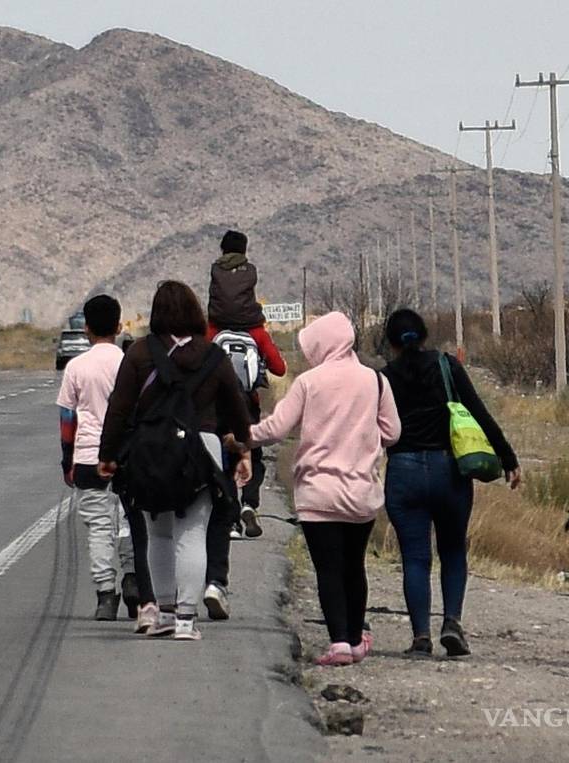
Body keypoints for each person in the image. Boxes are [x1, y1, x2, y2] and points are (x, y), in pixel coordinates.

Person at [99, 281, 253, 641]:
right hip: (202, 449)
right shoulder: (213, 356)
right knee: (193, 533)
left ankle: (164, 613)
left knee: (158, 534)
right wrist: (242, 449)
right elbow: (236, 409)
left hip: (151, 450)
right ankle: (186, 618)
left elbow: (119, 408)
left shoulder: (139, 353)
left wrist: (108, 455)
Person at [249, 312, 401, 665]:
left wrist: (243, 437)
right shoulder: (375, 381)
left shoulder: (308, 382)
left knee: (328, 568)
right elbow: (393, 432)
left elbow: (276, 429)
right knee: (354, 566)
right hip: (361, 492)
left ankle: (339, 643)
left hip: (318, 491)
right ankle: (355, 639)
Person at [381, 309, 521, 657]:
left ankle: (420, 637)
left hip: (403, 472)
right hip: (449, 470)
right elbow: (478, 411)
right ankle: (452, 623)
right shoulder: (447, 366)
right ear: (424, 335)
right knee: (453, 550)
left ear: (391, 342)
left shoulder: (383, 379)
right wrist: (508, 458)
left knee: (415, 558)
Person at [203, 229, 288, 621]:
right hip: (249, 406)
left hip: (217, 408)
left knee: (223, 459)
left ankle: (233, 512)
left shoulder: (212, 329)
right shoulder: (255, 329)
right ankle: (251, 502)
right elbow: (280, 368)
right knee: (253, 453)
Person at [57, 295, 151, 624]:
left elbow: (67, 417)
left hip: (87, 456)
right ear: (119, 325)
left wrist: (67, 459)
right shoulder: (130, 363)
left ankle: (105, 595)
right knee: (129, 521)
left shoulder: (76, 367)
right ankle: (133, 579)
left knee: (98, 528)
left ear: (86, 329)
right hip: (128, 455)